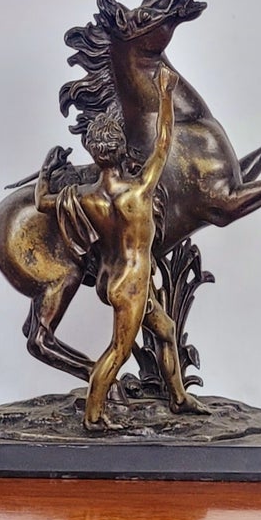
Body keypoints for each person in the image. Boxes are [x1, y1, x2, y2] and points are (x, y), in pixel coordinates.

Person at [36, 65, 207, 431]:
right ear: (121, 150)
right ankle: (94, 415)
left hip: (115, 279)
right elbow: (164, 140)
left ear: (95, 154)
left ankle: (178, 397)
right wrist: (164, 92)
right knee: (118, 351)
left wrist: (45, 172)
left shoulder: (86, 197)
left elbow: (42, 202)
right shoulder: (141, 189)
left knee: (165, 329)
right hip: (131, 285)